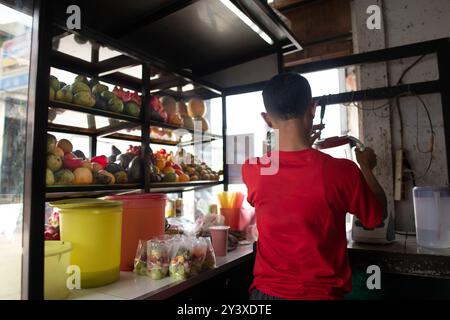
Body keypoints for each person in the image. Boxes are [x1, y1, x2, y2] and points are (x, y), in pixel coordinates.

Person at [242, 72, 387, 300]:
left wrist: (301, 144)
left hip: (265, 296)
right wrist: (366, 167)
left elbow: (284, 174)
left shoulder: (252, 170)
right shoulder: (344, 172)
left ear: (267, 119)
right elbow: (377, 216)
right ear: (312, 108)